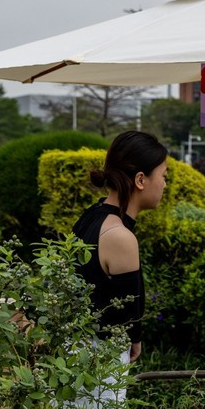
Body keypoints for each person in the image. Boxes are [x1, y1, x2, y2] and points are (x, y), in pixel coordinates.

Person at [72, 130, 169, 367]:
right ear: (140, 180)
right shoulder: (119, 236)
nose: (165, 184)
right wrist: (135, 338)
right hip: (99, 358)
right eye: (164, 176)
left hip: (72, 350)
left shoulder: (92, 215)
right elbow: (127, 307)